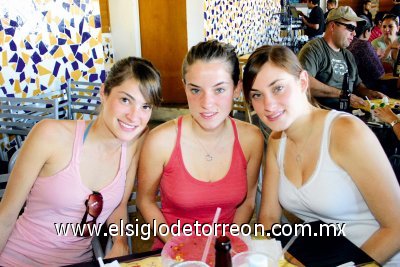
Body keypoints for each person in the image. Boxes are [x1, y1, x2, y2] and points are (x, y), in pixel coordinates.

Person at [242, 45, 400, 265]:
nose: (268, 105)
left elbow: (396, 227)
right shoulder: (278, 142)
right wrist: (267, 257)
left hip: (375, 259)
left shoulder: (345, 133)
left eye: (278, 88)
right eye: (257, 95)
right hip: (324, 256)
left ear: (303, 82)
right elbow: (268, 218)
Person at [0, 57, 162, 266]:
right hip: (20, 259)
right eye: (125, 100)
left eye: (145, 106)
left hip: (80, 261)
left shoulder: (134, 141)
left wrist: (120, 240)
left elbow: (119, 205)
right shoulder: (50, 134)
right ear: (104, 93)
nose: (134, 116)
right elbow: (6, 215)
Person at [137, 40, 264, 248]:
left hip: (225, 250)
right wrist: (175, 244)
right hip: (174, 252)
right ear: (184, 87)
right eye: (196, 90)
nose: (206, 103)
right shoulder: (160, 140)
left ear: (237, 89)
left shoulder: (251, 138)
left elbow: (248, 201)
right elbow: (145, 201)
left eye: (219, 90)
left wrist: (226, 244)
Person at [298, 6, 385, 110]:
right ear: (333, 26)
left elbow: (357, 85)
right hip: (322, 115)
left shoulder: (348, 55)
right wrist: (343, 94)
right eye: (350, 28)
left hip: (348, 113)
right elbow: (304, 82)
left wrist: (369, 93)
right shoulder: (314, 49)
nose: (354, 33)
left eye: (355, 29)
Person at [348, 16, 385, 89]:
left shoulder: (348, 43)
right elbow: (380, 75)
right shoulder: (364, 45)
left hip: (350, 85)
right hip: (363, 89)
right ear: (366, 32)